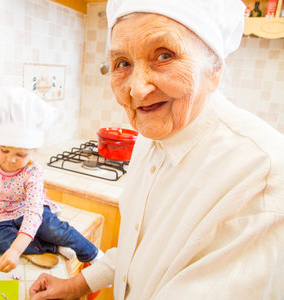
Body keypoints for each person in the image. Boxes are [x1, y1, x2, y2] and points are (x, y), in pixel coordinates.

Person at [29, 0, 284, 299]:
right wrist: (76, 285)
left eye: (164, 55)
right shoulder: (152, 138)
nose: (137, 90)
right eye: (122, 63)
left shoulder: (261, 177)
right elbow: (138, 250)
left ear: (214, 69)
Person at [0, 86, 103, 273]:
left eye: (21, 154)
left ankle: (93, 254)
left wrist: (16, 250)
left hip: (28, 211)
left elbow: (34, 212)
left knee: (53, 228)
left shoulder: (33, 171)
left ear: (33, 151)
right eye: (4, 150)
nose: (10, 159)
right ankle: (54, 247)